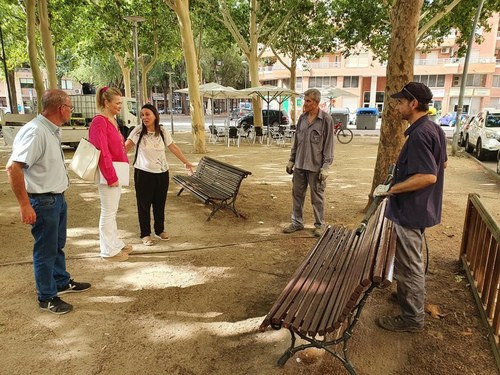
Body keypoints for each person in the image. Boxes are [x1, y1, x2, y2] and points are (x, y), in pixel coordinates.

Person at [6, 89, 91, 315]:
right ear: (61, 108)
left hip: (56, 199)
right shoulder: (36, 132)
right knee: (45, 250)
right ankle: (47, 296)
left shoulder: (51, 130)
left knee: (56, 245)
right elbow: (13, 168)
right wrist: (24, 205)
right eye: (70, 107)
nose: (72, 111)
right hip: (43, 201)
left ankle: (61, 281)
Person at [375, 82, 447, 333]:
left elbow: (429, 176)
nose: (396, 106)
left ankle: (412, 319)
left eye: (400, 102)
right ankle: (407, 297)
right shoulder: (434, 129)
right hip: (422, 208)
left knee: (409, 267)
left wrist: (391, 190)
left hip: (411, 211)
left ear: (413, 104)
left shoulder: (419, 135)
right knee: (409, 264)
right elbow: (442, 165)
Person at [125, 104, 193, 246]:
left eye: (147, 114)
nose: (144, 117)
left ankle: (159, 230)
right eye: (142, 114)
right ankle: (145, 234)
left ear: (155, 115)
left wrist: (186, 162)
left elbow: (173, 147)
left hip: (162, 173)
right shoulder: (138, 131)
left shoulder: (162, 130)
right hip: (143, 173)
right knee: (144, 205)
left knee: (159, 203)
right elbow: (125, 148)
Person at [283, 88, 335, 237]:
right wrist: (291, 160)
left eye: (308, 101)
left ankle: (319, 225)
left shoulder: (326, 120)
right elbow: (297, 141)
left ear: (317, 102)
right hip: (299, 165)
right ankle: (297, 222)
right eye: (304, 100)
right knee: (297, 195)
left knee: (317, 197)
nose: (305, 104)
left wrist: (325, 167)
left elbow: (329, 145)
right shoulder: (302, 118)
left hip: (315, 166)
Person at [89, 87, 131, 261]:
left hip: (116, 170)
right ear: (106, 103)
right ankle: (108, 250)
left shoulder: (111, 120)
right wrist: (111, 175)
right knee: (108, 212)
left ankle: (114, 243)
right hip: (109, 173)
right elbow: (102, 151)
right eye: (117, 103)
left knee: (111, 211)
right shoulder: (100, 122)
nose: (120, 106)